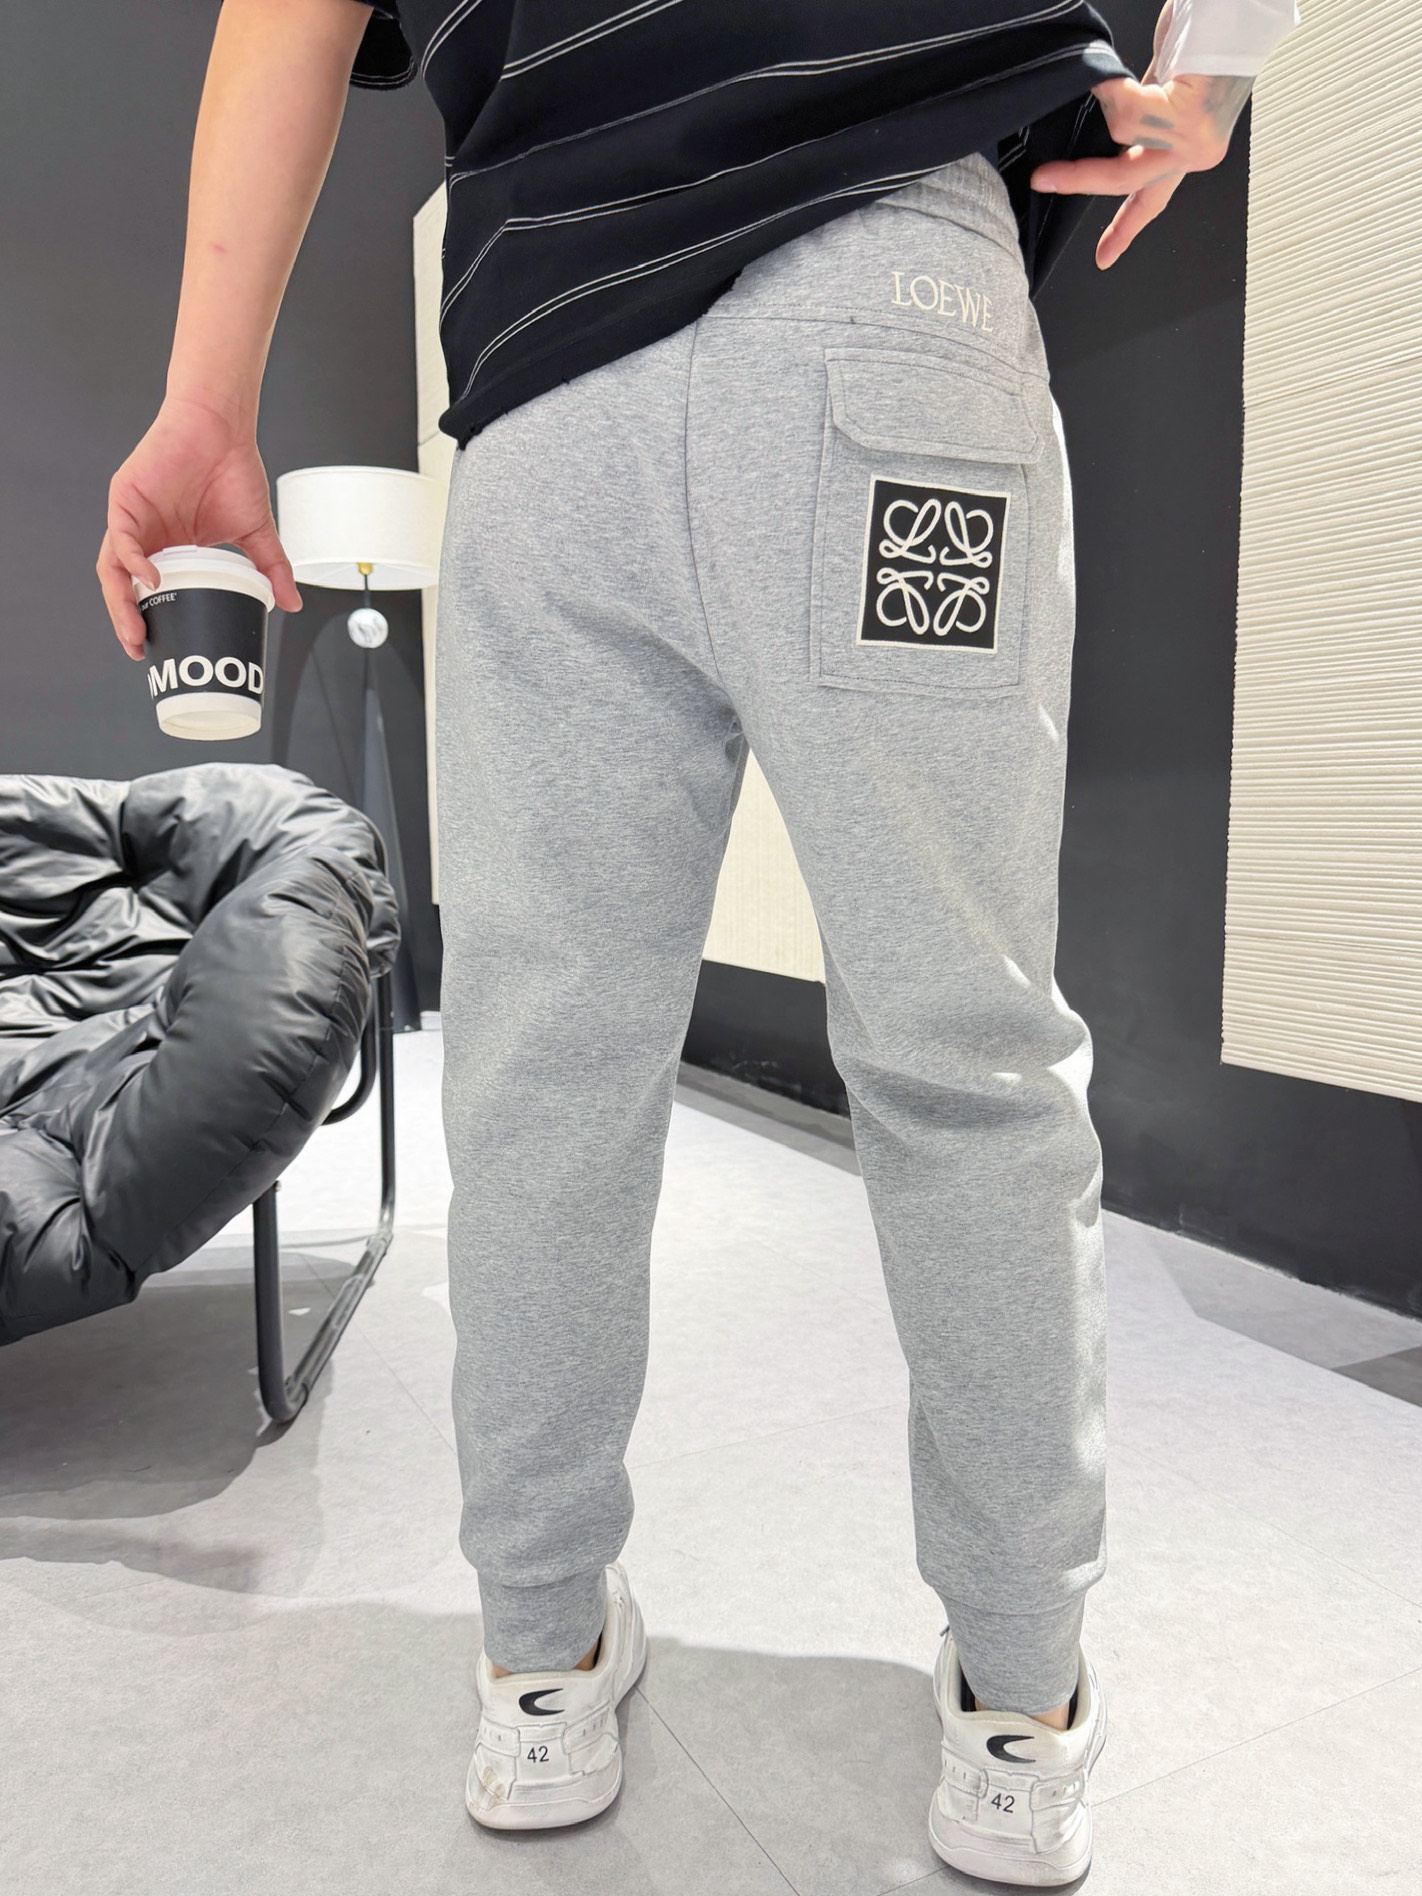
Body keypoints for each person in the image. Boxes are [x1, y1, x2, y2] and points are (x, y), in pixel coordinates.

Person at [97, 1, 1299, 1882]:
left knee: (542, 1074)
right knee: (963, 1057)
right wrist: (1214, 74)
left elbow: (287, 13)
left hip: (548, 373)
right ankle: (1017, 1705)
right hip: (889, 316)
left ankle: (540, 1663)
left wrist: (204, 404)